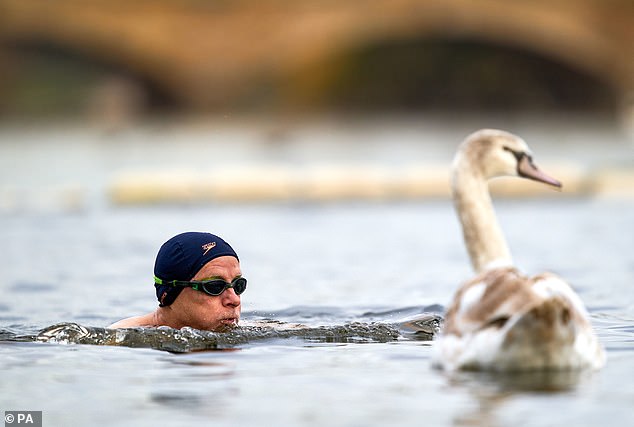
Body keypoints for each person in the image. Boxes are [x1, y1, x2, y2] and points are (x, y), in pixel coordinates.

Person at [108, 232, 246, 331]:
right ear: (171, 292)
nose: (235, 300)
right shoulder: (119, 338)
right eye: (215, 286)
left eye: (238, 285)